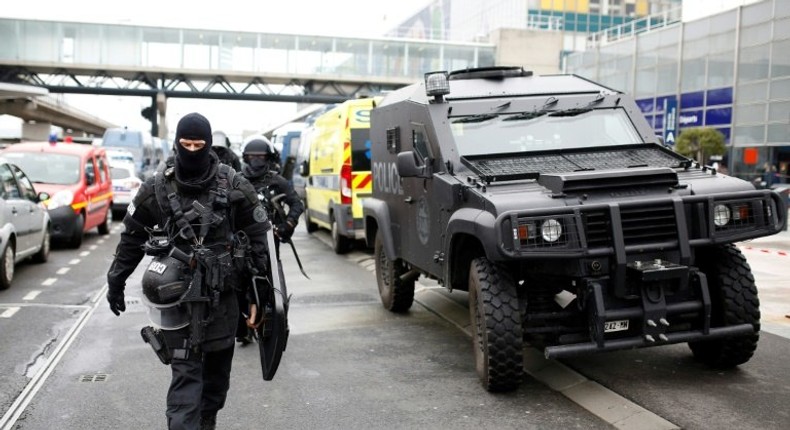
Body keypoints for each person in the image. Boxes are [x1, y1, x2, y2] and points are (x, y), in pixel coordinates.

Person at [106, 112, 271, 430]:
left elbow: (258, 241)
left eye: (199, 144)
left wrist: (260, 294)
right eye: (185, 144)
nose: (192, 150)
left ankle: (205, 422)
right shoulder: (156, 187)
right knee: (185, 382)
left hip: (224, 302)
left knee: (215, 384)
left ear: (209, 144)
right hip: (176, 304)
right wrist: (115, 281)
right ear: (176, 144)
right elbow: (131, 238)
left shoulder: (233, 183)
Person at [235, 136, 304, 345]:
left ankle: (279, 323)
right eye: (252, 157)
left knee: (274, 283)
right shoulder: (236, 180)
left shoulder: (277, 181)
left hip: (269, 244)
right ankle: (242, 326)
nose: (256, 161)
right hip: (242, 243)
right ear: (246, 158)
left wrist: (286, 226)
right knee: (238, 283)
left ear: (268, 158)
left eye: (261, 157)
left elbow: (296, 204)